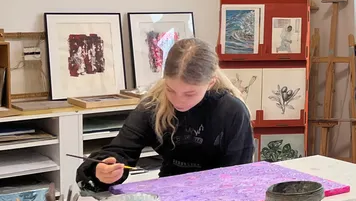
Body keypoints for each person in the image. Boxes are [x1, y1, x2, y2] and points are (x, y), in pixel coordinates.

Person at [77, 38, 254, 190]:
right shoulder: (153, 106)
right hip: (169, 191)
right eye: (170, 90)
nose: (178, 100)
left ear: (210, 83)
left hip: (219, 195)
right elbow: (120, 150)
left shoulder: (232, 111)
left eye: (189, 94)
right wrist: (103, 170)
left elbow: (239, 174)